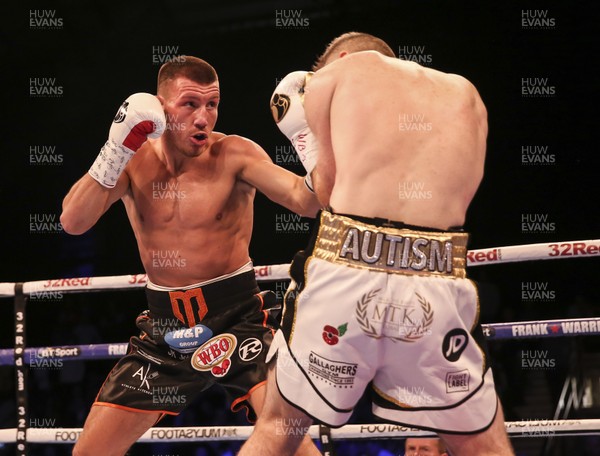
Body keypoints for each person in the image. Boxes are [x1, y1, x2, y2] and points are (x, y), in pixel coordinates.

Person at [239, 32, 515, 455]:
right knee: (484, 444)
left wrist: (305, 139)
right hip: (436, 274)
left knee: (278, 427)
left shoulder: (337, 75)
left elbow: (325, 196)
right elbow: (461, 198)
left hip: (347, 265)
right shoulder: (467, 94)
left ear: (342, 58)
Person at [60, 55, 321, 455]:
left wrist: (306, 138)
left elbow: (306, 202)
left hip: (239, 318)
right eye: (190, 105)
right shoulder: (133, 162)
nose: (203, 117)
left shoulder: (235, 154)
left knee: (289, 441)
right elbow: (73, 221)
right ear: (161, 109)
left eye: (212, 104)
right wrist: (116, 148)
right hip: (164, 330)